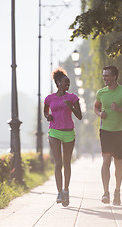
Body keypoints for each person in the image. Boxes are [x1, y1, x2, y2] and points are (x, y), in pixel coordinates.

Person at [94, 65, 122, 206]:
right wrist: (100, 113)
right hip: (105, 131)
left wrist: (119, 109)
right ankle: (105, 192)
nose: (104, 78)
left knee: (118, 162)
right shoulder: (101, 93)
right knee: (106, 160)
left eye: (107, 76)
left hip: (119, 131)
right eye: (103, 76)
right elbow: (96, 107)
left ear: (114, 77)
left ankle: (117, 191)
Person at [44, 68, 82, 207]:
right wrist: (48, 117)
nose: (68, 85)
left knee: (67, 163)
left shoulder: (72, 98)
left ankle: (66, 190)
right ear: (58, 82)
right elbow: (46, 113)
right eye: (65, 82)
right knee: (58, 163)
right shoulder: (49, 98)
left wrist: (70, 107)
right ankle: (59, 192)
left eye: (69, 83)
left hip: (68, 132)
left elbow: (79, 116)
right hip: (54, 132)